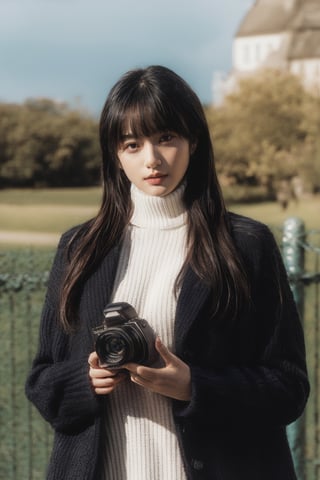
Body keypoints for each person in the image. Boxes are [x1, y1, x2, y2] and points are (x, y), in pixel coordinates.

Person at [25, 65, 309, 480]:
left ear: (194, 140)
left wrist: (193, 386)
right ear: (115, 155)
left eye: (166, 138)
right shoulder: (79, 248)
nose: (152, 160)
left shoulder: (246, 245)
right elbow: (42, 380)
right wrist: (85, 380)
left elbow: (288, 388)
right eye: (132, 144)